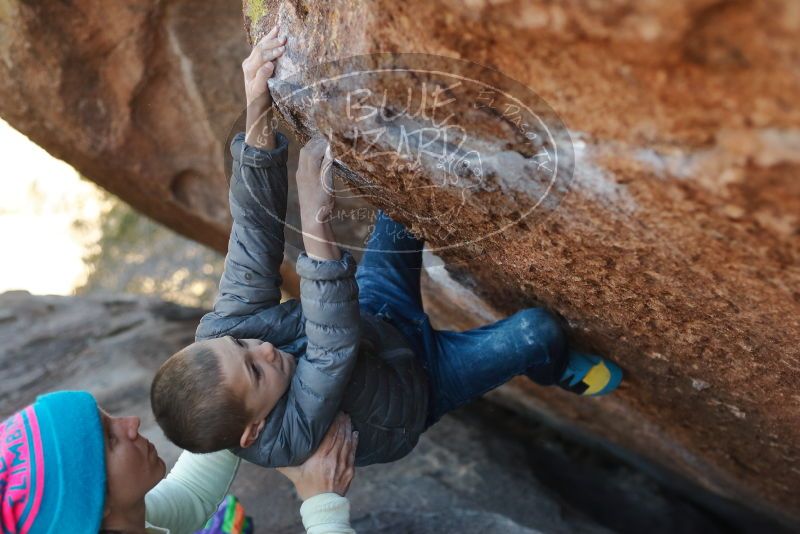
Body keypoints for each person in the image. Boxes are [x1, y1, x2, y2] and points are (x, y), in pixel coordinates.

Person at [150, 26, 623, 468]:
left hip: (377, 313)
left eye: (242, 343)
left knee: (407, 196)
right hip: (424, 385)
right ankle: (553, 370)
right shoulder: (286, 439)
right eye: (255, 372)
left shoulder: (222, 334)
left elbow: (253, 234)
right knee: (537, 334)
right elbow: (332, 347)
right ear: (253, 430)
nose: (264, 351)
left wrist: (257, 106)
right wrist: (317, 219)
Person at [0, 391, 357, 533]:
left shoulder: (129, 520)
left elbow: (189, 497)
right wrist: (323, 503)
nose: (131, 424)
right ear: (95, 506)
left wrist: (228, 409)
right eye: (110, 438)